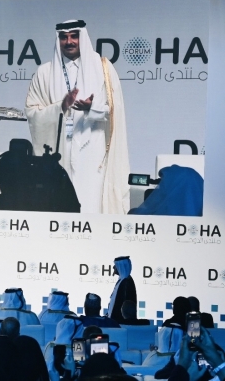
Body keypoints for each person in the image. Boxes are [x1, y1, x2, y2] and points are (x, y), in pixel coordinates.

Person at [25, 19, 130, 214]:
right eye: (64, 37)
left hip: (93, 148)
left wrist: (92, 107)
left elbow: (115, 109)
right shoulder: (44, 72)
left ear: (83, 37)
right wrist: (60, 107)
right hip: (58, 150)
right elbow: (32, 112)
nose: (69, 41)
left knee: (92, 201)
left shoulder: (103, 69)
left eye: (74, 36)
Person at [107, 256, 137, 323]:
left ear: (121, 267)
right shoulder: (122, 280)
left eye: (116, 265)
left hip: (121, 322)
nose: (113, 267)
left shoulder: (126, 282)